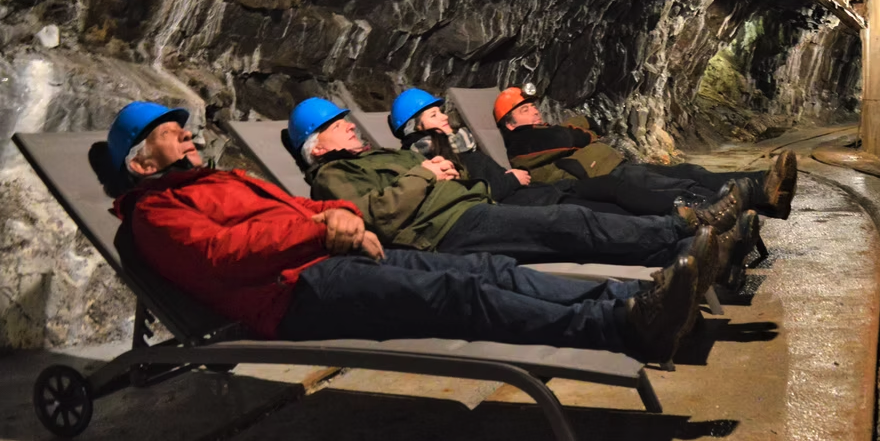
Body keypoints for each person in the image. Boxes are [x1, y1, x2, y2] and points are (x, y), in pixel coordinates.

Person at [106, 101, 702, 363]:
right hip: (289, 294)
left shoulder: (222, 180)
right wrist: (326, 230)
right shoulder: (154, 216)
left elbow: (293, 210)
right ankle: (623, 328)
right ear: (142, 162)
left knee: (487, 271)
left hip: (333, 259)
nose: (184, 133)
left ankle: (632, 301)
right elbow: (222, 256)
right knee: (457, 296)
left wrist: (336, 228)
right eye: (167, 131)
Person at [285, 98, 761, 295]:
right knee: (572, 224)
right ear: (317, 145)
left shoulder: (379, 157)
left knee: (581, 222)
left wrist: (445, 175)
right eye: (334, 125)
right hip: (447, 231)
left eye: (345, 120)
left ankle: (698, 245)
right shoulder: (331, 178)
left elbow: (456, 180)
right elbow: (372, 216)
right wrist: (427, 175)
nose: (348, 125)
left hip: (471, 209)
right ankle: (690, 230)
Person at [388, 87, 738, 219]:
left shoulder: (461, 145)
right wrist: (510, 179)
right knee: (606, 208)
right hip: (525, 200)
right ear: (416, 127)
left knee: (622, 192)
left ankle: (705, 207)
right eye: (435, 115)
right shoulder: (433, 159)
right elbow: (480, 191)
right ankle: (695, 215)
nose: (446, 117)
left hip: (542, 190)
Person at [494, 84, 800, 219]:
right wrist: (577, 133)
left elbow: (588, 127)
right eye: (524, 110)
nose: (534, 111)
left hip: (613, 166)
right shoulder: (523, 141)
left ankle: (764, 186)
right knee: (681, 185)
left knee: (688, 173)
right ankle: (757, 196)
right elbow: (574, 134)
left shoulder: (538, 133)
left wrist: (579, 132)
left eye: (533, 106)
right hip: (604, 173)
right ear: (509, 124)